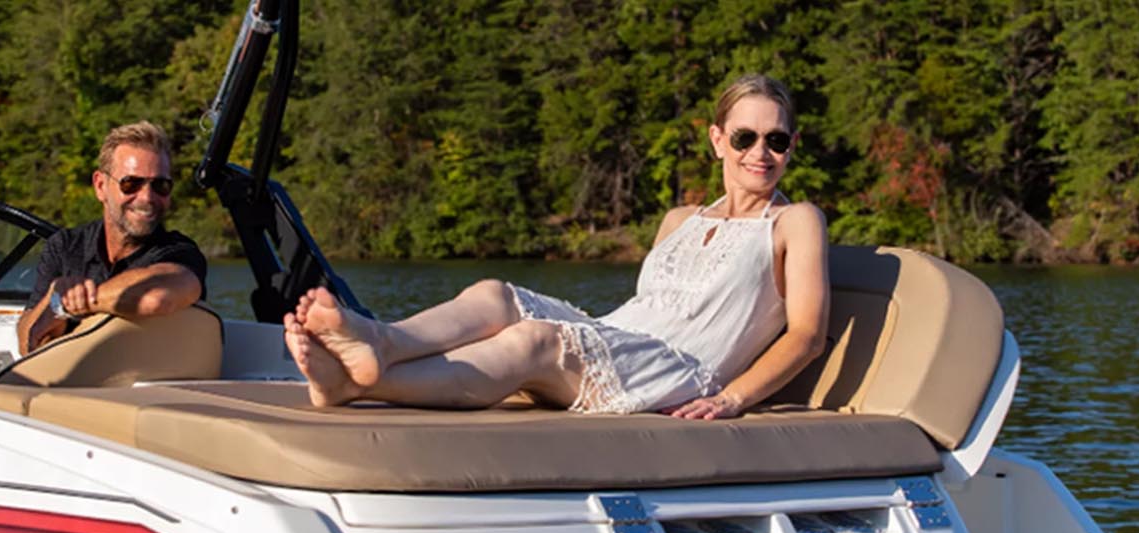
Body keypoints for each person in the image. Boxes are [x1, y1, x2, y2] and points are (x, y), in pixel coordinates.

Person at [283, 75, 828, 419]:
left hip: (679, 371)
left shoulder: (795, 221)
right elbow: (647, 307)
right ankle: (380, 343)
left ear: (792, 147)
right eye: (745, 137)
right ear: (718, 140)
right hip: (620, 337)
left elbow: (806, 336)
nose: (761, 152)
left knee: (536, 340)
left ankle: (361, 384)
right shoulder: (680, 219)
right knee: (496, 295)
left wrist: (732, 398)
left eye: (776, 140)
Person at [17, 121, 208, 355]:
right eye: (131, 184)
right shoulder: (65, 246)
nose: (147, 197)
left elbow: (156, 298)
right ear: (100, 186)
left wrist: (67, 303)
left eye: (160, 185)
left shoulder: (180, 253)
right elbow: (27, 342)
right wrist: (52, 296)